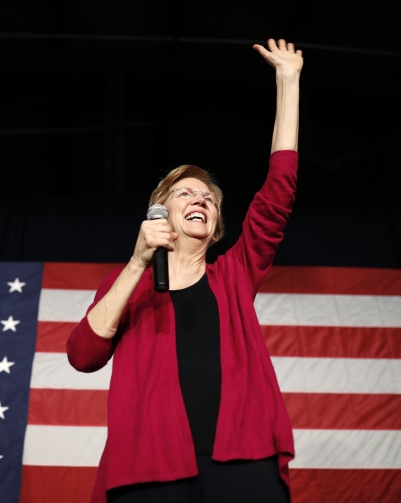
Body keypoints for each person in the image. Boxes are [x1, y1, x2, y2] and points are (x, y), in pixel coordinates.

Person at [66, 38, 303, 503]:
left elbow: (278, 192)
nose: (200, 200)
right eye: (185, 194)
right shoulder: (127, 283)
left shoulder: (232, 274)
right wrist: (137, 262)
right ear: (160, 215)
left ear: (215, 226)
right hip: (147, 466)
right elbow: (83, 355)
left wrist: (288, 81)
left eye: (209, 198)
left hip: (242, 460)